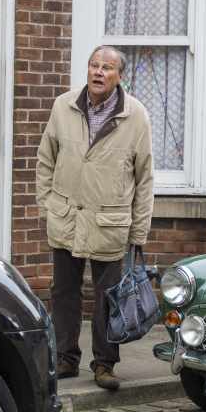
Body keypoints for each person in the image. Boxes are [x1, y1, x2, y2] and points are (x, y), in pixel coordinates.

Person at [36, 46, 153, 391]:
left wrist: (139, 230)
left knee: (108, 297)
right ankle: (65, 358)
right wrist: (47, 205)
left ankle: (104, 364)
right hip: (67, 217)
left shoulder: (135, 115)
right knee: (64, 292)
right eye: (94, 65)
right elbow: (46, 159)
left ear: (120, 76)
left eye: (107, 67)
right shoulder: (63, 106)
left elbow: (144, 178)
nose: (98, 72)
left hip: (110, 221)